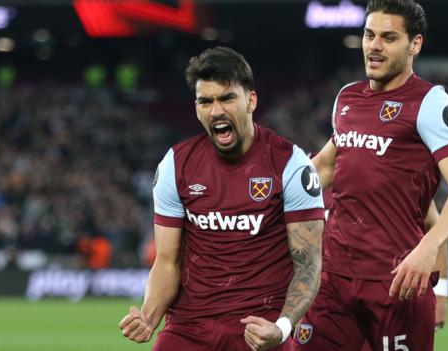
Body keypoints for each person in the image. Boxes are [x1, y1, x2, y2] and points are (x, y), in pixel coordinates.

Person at [295, 1, 448, 350]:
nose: (374, 45)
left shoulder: (430, 103)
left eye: (388, 37)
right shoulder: (347, 98)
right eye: (369, 35)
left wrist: (429, 251)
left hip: (396, 283)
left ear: (415, 44)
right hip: (333, 280)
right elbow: (324, 167)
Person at [118, 47, 325, 351]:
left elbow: (308, 263)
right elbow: (167, 262)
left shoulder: (290, 164)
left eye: (227, 98)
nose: (216, 111)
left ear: (251, 100)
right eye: (206, 101)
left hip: (259, 327)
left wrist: (281, 328)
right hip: (189, 326)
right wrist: (150, 316)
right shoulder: (176, 166)